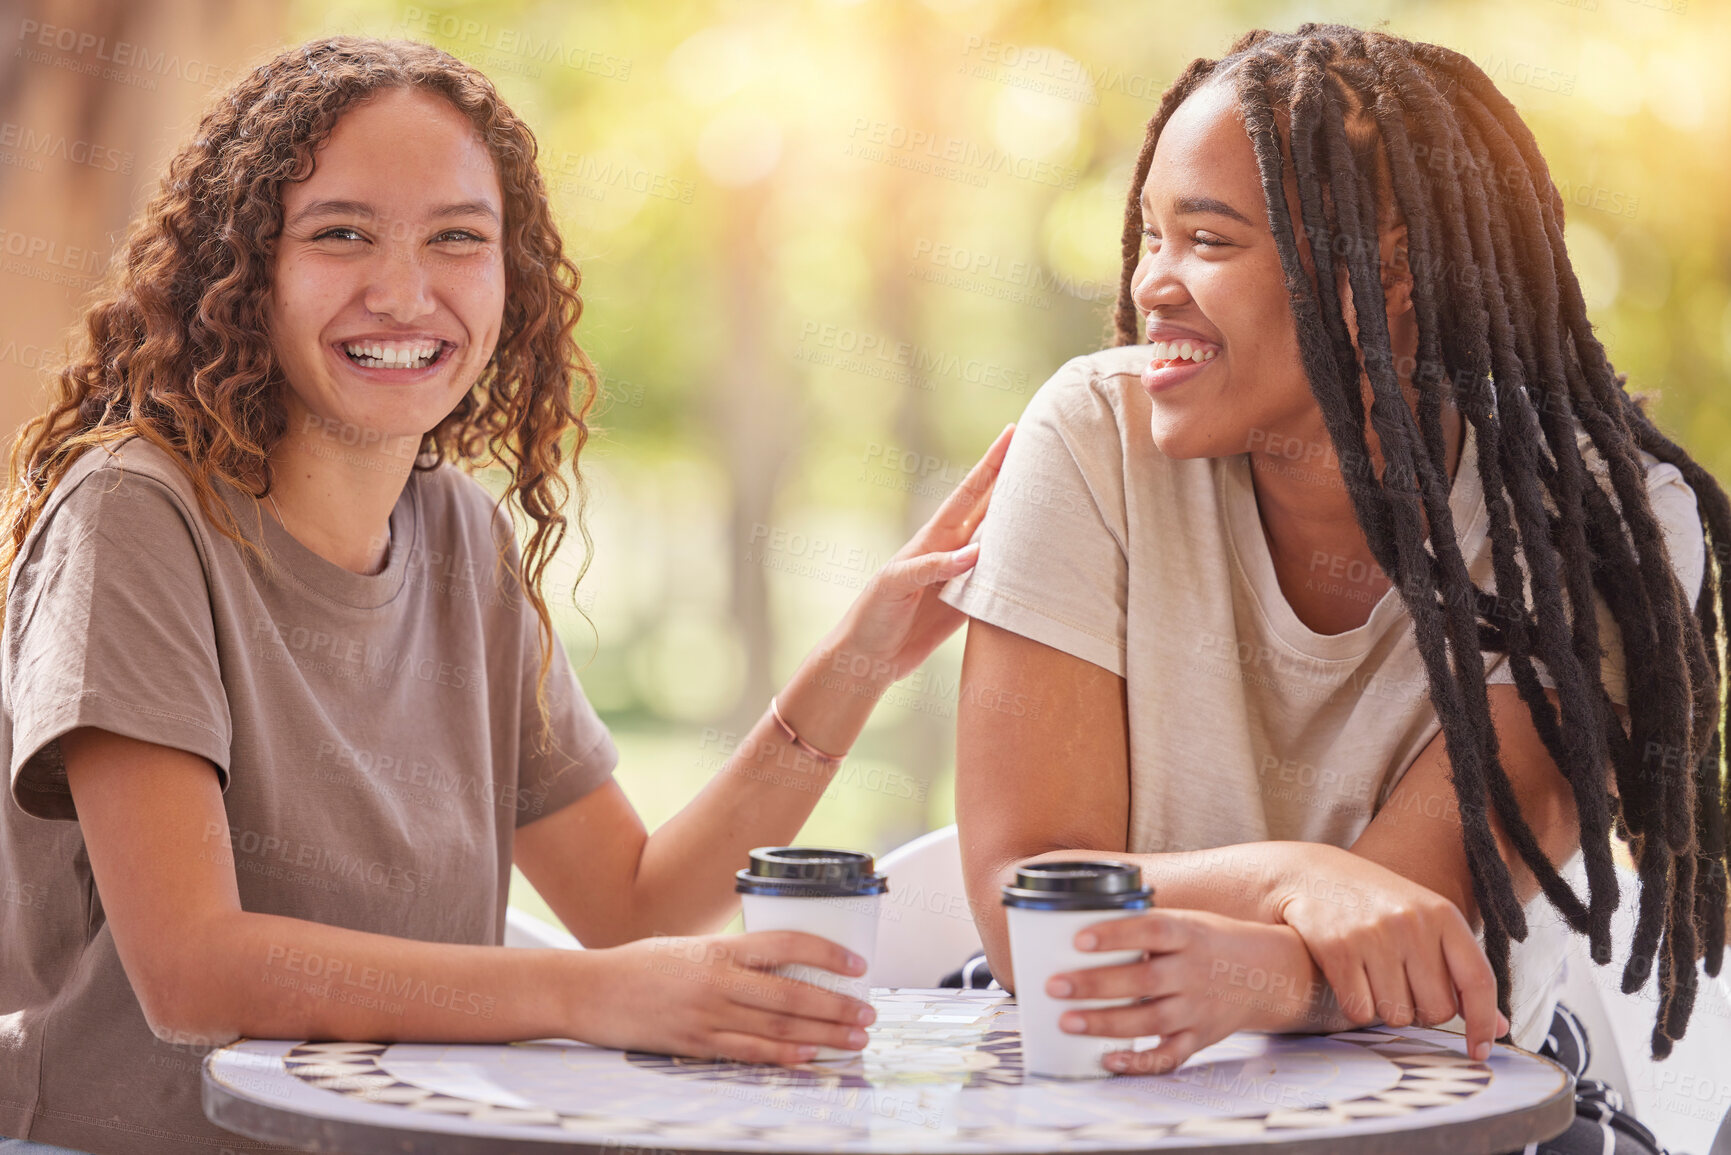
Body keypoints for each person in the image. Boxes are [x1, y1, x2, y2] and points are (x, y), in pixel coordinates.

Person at [0, 37, 1011, 1155]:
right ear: (241, 271)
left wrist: (858, 658)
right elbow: (193, 972)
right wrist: (596, 994)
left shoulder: (460, 534)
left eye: (457, 241)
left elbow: (632, 906)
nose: (404, 291)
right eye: (341, 234)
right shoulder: (134, 516)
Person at [942, 23, 1724, 1155]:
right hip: (1094, 1073)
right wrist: (1285, 877)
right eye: (1151, 234)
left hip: (1451, 1095)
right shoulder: (1092, 436)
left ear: (1390, 275)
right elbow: (1031, 915)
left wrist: (1255, 973)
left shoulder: (1599, 520)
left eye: (1207, 240)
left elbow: (1427, 924)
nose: (1150, 282)